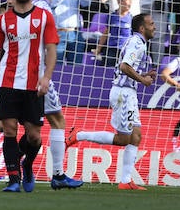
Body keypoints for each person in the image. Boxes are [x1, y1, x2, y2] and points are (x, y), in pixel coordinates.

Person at [0, 0, 59, 192]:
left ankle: (27, 164)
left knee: (34, 137)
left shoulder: (44, 17)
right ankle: (13, 180)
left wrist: (46, 77)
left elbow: (51, 50)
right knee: (9, 130)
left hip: (34, 84)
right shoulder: (2, 20)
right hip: (7, 81)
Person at [67, 13, 158, 190]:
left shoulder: (138, 42)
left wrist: (145, 75)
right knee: (125, 139)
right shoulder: (136, 43)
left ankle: (125, 181)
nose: (154, 27)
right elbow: (124, 66)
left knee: (136, 136)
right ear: (142, 28)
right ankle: (78, 135)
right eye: (151, 23)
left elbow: (126, 67)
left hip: (129, 93)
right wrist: (143, 80)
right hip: (123, 94)